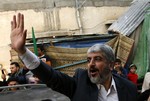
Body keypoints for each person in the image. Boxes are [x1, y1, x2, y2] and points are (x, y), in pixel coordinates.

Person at [10, 13, 138, 101]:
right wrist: (23, 51)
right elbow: (51, 76)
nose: (91, 64)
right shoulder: (80, 81)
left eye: (97, 59)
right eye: (89, 60)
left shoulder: (128, 88)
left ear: (111, 65)